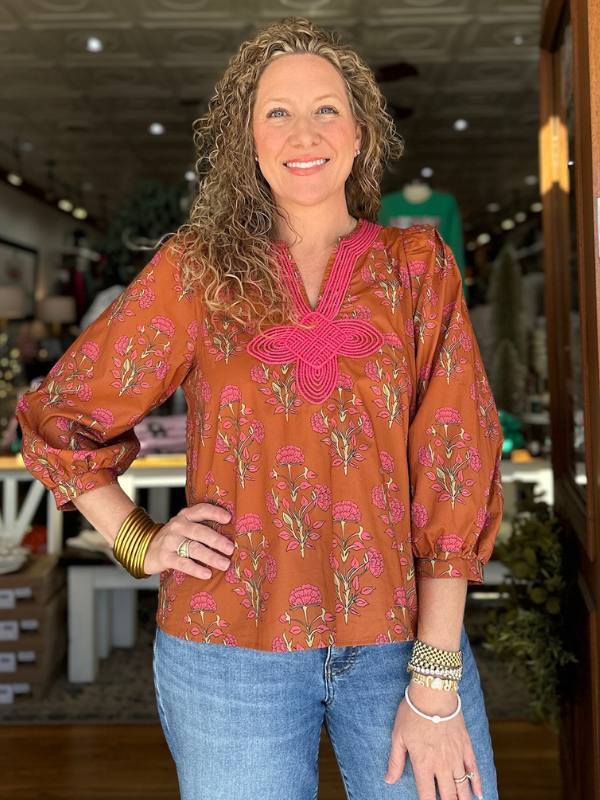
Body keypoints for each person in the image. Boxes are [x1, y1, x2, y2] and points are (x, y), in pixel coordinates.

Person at [18, 17, 503, 800]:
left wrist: (435, 677)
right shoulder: (197, 271)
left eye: (326, 109)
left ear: (360, 133)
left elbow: (455, 457)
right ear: (246, 139)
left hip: (403, 645)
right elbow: (62, 411)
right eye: (276, 110)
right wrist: (138, 540)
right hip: (226, 648)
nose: (302, 131)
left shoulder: (417, 268)